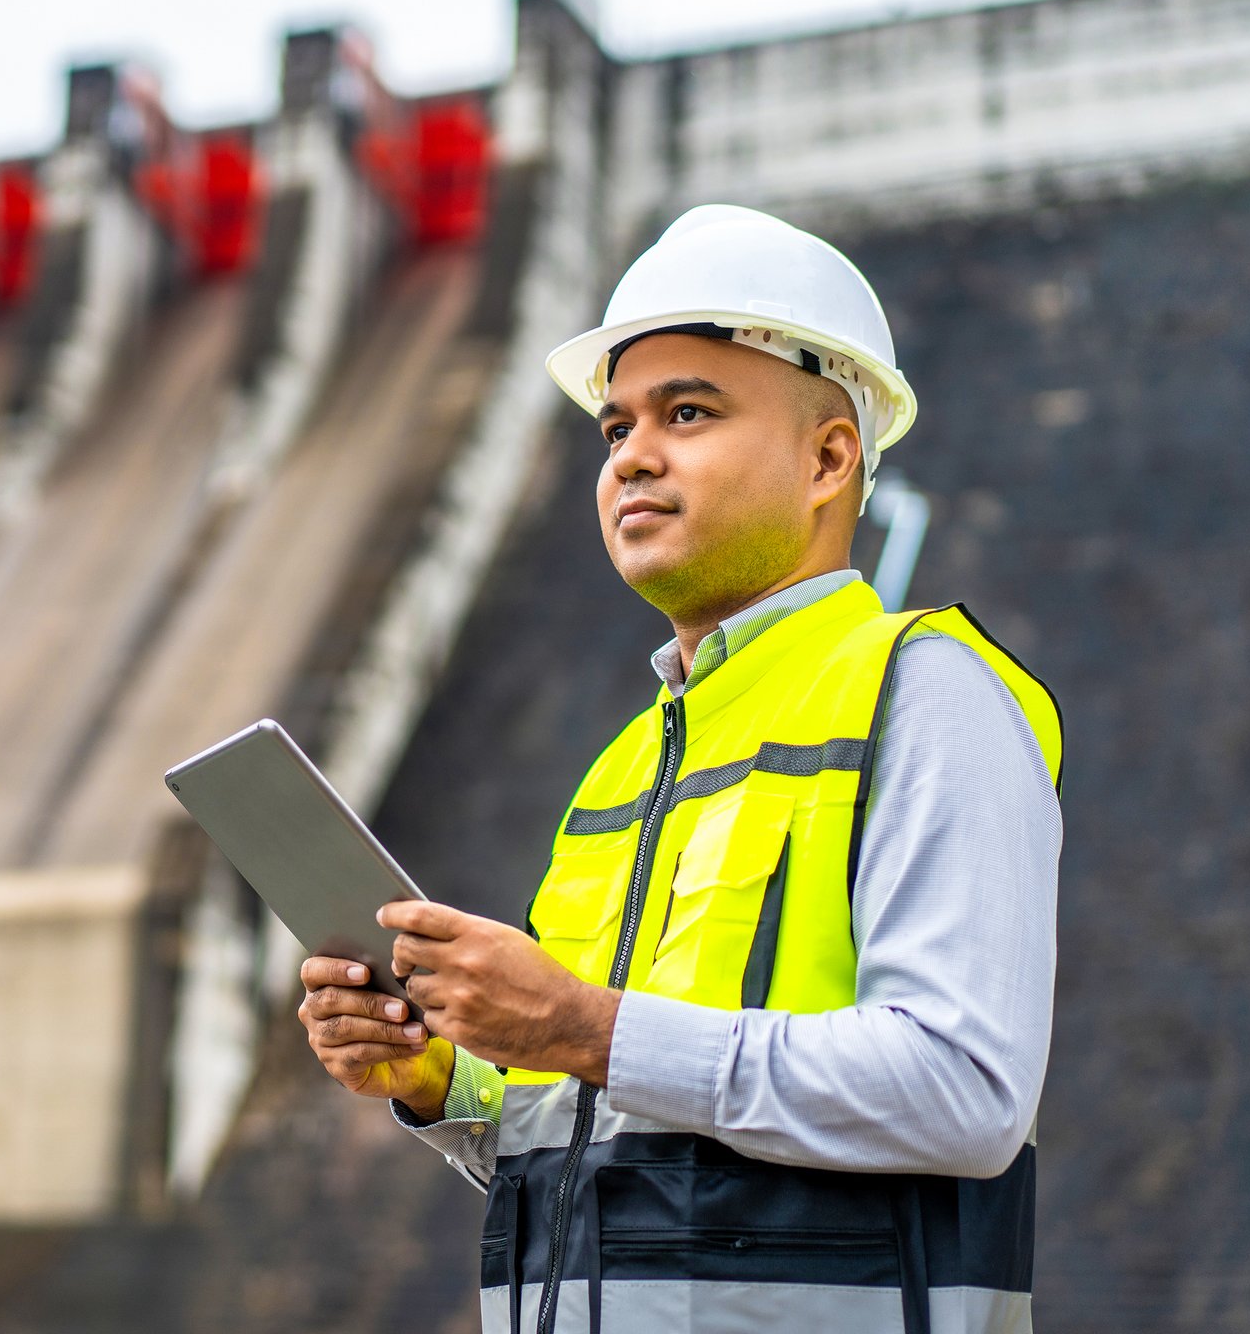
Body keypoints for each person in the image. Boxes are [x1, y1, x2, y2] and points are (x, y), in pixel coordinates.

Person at [296, 205, 1064, 1334]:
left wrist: (585, 1027)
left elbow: (963, 1092)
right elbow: (617, 1132)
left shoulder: (926, 691)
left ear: (828, 455)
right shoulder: (624, 766)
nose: (633, 456)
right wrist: (437, 1083)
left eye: (688, 413)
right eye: (613, 431)